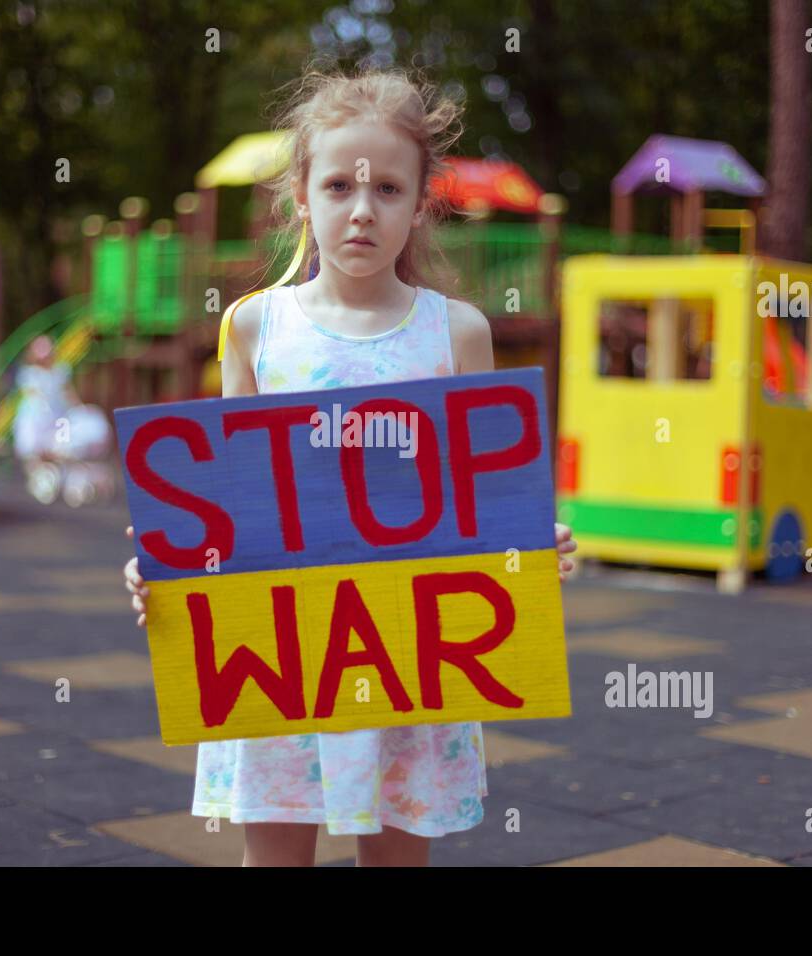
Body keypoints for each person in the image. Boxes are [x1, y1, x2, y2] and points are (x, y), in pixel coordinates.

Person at [121, 66, 579, 866]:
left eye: (388, 190)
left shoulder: (459, 335)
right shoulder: (254, 329)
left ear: (420, 200)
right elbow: (236, 502)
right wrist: (174, 566)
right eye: (338, 185)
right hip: (281, 654)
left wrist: (530, 549)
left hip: (408, 658)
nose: (362, 210)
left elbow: (483, 497)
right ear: (301, 195)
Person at [13, 335, 111, 505]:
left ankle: (63, 479)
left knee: (63, 449)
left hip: (56, 418)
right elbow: (32, 397)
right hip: (37, 419)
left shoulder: (60, 372)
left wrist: (79, 409)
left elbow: (69, 394)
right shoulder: (29, 374)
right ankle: (42, 479)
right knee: (36, 452)